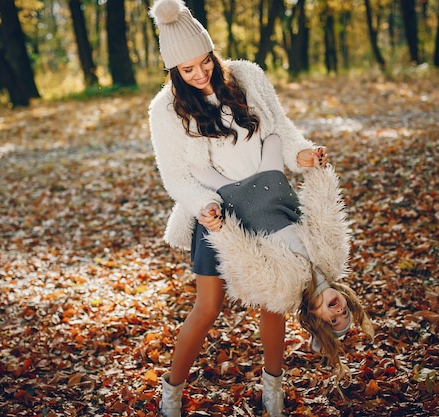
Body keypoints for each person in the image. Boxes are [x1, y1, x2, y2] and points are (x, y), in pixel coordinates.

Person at [147, 0, 373, 415]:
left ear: (213, 53)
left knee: (278, 298)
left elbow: (281, 130)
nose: (199, 74)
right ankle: (172, 391)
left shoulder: (247, 76)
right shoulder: (165, 109)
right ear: (172, 72)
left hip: (270, 201)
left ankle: (273, 387)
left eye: (205, 62)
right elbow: (177, 176)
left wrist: (303, 154)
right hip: (218, 213)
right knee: (208, 307)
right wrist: (204, 205)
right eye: (187, 70)